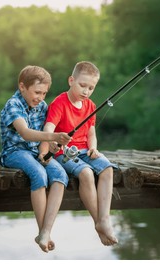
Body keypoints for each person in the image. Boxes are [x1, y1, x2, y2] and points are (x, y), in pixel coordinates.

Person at [39, 61, 118, 246]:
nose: (86, 91)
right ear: (71, 80)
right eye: (82, 85)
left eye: (91, 87)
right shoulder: (59, 103)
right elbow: (49, 126)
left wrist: (94, 148)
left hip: (85, 150)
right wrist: (52, 140)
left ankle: (104, 219)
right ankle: (96, 221)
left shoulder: (90, 106)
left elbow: (91, 132)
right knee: (86, 173)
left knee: (107, 169)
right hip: (64, 152)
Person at [0, 65, 71, 253]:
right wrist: (53, 137)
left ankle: (46, 231)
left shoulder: (41, 106)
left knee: (61, 175)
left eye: (44, 93)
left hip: (35, 152)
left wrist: (50, 147)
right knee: (39, 174)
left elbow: (44, 136)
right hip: (14, 152)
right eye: (37, 92)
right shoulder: (14, 104)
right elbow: (26, 133)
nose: (40, 97)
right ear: (22, 87)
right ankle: (41, 230)